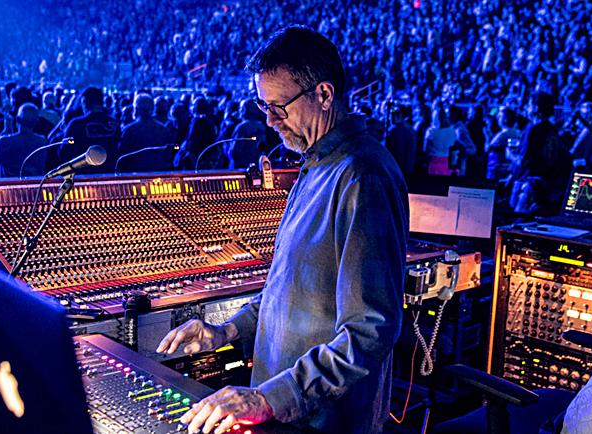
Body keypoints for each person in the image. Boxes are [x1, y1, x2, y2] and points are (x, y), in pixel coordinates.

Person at [156, 25, 408, 434]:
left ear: (324, 95)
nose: (269, 120)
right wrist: (226, 330)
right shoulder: (314, 164)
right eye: (263, 106)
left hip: (325, 421)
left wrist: (269, 397)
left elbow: (371, 331)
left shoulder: (363, 175)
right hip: (285, 414)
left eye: (279, 106)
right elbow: (285, 289)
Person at [61, 86, 120, 173]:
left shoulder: (77, 124)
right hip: (109, 173)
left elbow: (64, 150)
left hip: (84, 175)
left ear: (85, 103)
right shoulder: (115, 123)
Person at [118, 93, 172, 172]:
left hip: (134, 176)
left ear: (136, 109)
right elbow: (168, 155)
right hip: (158, 175)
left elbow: (122, 157)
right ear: (152, 109)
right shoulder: (163, 129)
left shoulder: (129, 130)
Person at [0, 103, 49, 177]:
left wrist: (6, 130)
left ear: (18, 119)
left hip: (9, 185)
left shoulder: (5, 142)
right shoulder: (43, 142)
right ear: (36, 121)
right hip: (35, 185)